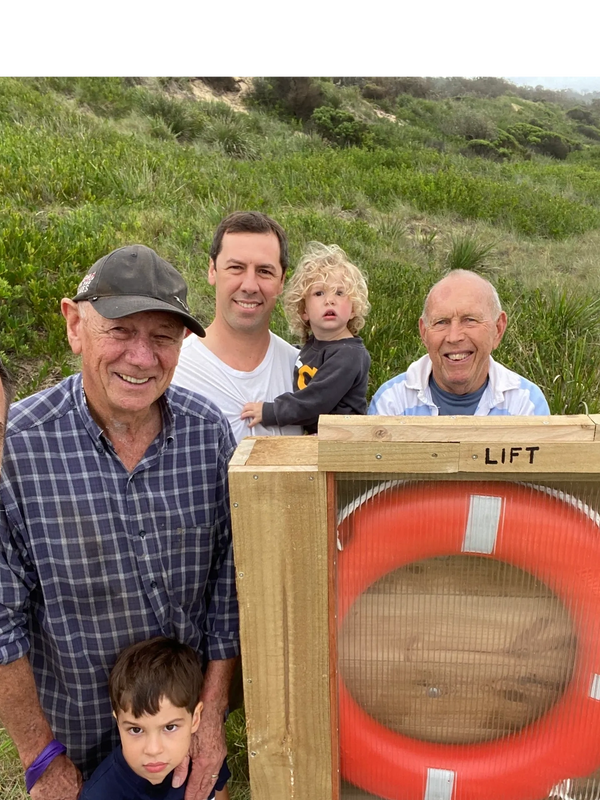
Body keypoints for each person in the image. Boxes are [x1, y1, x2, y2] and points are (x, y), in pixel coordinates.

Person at [0, 245, 239, 800]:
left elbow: (227, 589)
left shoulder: (209, 436)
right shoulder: (16, 449)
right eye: (120, 331)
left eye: (162, 337)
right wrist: (40, 758)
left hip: (185, 742)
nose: (141, 356)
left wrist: (212, 721)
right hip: (78, 750)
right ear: (74, 324)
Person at [172, 211, 303, 442]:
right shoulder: (173, 372)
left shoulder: (302, 371)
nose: (250, 285)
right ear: (212, 270)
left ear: (282, 281)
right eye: (236, 268)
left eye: (264, 271)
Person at [369, 269, 550, 416]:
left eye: (470, 320)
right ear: (424, 333)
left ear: (498, 329)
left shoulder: (526, 405)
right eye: (441, 322)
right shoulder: (392, 402)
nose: (454, 337)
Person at [241, 242, 371, 434]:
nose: (330, 300)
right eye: (319, 293)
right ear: (304, 311)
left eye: (340, 293)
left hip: (341, 445)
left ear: (354, 309)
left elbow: (316, 400)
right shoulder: (314, 346)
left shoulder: (349, 355)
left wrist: (271, 410)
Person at [81, 637, 229, 800]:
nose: (153, 749)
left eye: (169, 727)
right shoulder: (101, 794)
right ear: (118, 722)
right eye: (136, 729)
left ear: (195, 719)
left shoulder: (204, 760)